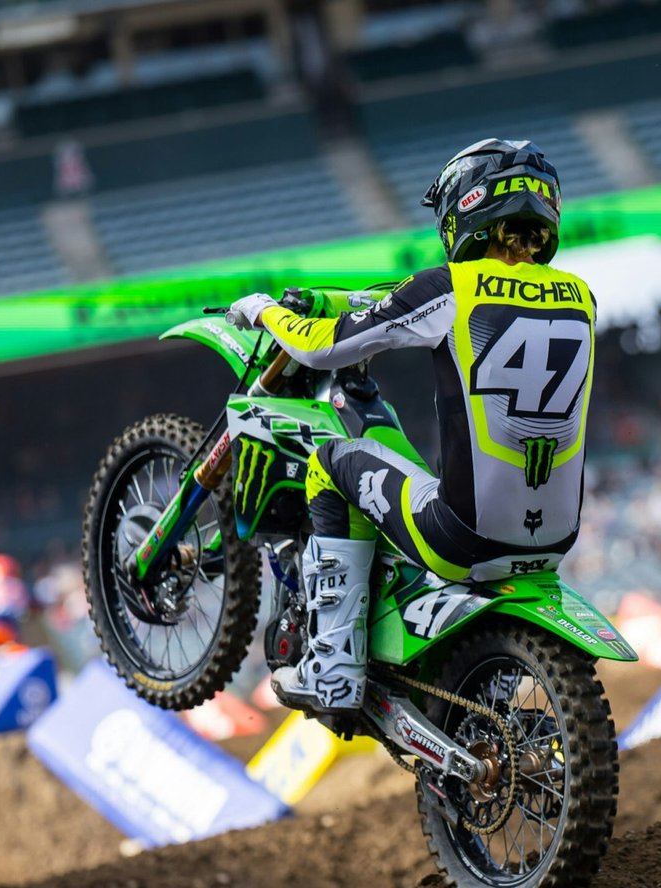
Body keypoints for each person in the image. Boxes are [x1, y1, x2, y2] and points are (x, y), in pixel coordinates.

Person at [223, 139, 597, 715]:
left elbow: (322, 347)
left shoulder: (450, 287)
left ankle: (333, 667)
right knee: (407, 461)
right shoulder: (581, 297)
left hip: (463, 537)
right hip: (553, 541)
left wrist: (263, 310)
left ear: (465, 209)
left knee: (330, 463)